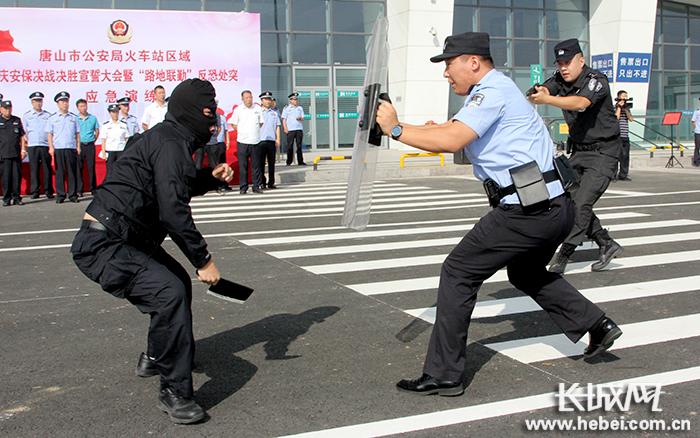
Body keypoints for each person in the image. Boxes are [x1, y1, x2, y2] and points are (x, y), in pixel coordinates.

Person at [376, 32, 621, 396]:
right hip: (554, 207)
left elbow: (452, 139)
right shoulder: (491, 92)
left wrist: (395, 128)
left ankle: (444, 374)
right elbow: (450, 130)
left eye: (449, 64)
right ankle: (595, 324)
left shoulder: (492, 92)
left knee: (458, 271)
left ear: (473, 62)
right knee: (524, 270)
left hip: (527, 210)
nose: (446, 73)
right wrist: (416, 128)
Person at [71, 78, 234, 424]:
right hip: (104, 242)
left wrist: (210, 178)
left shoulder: (168, 139)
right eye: (207, 112)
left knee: (175, 282)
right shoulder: (169, 142)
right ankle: (175, 392)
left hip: (126, 237)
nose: (212, 120)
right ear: (190, 111)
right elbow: (173, 211)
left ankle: (158, 356)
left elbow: (176, 184)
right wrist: (203, 260)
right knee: (169, 291)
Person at [528, 38, 623, 274]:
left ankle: (564, 255)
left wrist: (546, 99)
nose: (564, 67)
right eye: (560, 63)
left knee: (581, 203)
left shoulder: (596, 80)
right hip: (579, 152)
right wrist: (540, 91)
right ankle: (605, 242)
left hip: (604, 152)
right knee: (566, 202)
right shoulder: (560, 80)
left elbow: (581, 103)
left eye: (568, 62)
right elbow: (547, 88)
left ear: (581, 60)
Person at [47, 91, 81, 204]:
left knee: (72, 172)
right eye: (62, 101)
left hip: (71, 148)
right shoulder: (52, 118)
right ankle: (60, 195)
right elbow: (50, 134)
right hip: (59, 148)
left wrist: (78, 146)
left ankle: (72, 195)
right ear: (58, 103)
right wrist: (51, 147)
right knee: (60, 172)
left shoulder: (73, 117)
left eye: (66, 101)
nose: (65, 104)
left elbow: (77, 134)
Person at [228, 90, 264, 194]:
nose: (249, 99)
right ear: (242, 99)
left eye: (250, 97)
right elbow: (233, 124)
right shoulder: (238, 109)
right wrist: (243, 131)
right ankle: (243, 187)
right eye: (247, 98)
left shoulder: (258, 108)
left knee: (256, 166)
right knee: (243, 166)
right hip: (242, 142)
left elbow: (261, 123)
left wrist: (253, 131)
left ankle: (256, 186)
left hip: (256, 141)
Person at [22, 91, 54, 199]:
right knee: (34, 169)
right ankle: (35, 191)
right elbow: (25, 131)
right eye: (36, 101)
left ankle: (48, 190)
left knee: (47, 169)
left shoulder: (47, 115)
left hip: (45, 145)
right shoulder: (27, 115)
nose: (38, 103)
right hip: (33, 145)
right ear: (32, 102)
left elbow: (50, 131)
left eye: (40, 101)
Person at [196, 105, 231, 194]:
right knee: (198, 164)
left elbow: (219, 128)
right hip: (200, 143)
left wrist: (213, 136)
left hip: (212, 142)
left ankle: (216, 185)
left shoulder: (217, 115)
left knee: (214, 165)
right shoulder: (198, 114)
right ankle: (198, 185)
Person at [0, 100, 27, 206]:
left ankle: (17, 198)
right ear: (1, 109)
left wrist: (23, 149)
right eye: (5, 108)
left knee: (16, 177)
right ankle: (6, 199)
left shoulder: (16, 120)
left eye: (9, 108)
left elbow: (22, 136)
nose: (8, 110)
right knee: (6, 178)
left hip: (16, 154)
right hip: (3, 155)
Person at [76, 99, 100, 196]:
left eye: (84, 106)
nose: (83, 108)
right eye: (81, 106)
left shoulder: (93, 118)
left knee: (91, 167)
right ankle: (79, 189)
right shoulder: (75, 118)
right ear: (77, 107)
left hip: (90, 145)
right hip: (79, 145)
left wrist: (93, 140)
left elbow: (97, 131)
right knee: (79, 168)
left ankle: (93, 188)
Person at [98, 104, 130, 173]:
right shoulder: (106, 125)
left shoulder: (123, 124)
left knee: (121, 171)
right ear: (110, 113)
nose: (115, 114)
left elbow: (127, 138)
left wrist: (127, 151)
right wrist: (103, 152)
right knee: (110, 171)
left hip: (121, 150)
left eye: (116, 112)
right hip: (110, 150)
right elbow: (103, 140)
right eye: (113, 112)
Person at [259, 91, 281, 190]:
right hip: (260, 140)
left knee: (272, 163)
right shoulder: (258, 112)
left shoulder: (274, 113)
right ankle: (262, 182)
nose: (268, 101)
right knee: (261, 163)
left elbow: (277, 127)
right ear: (262, 100)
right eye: (266, 99)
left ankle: (271, 182)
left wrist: (278, 139)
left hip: (271, 140)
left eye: (269, 99)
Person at [282, 92, 306, 166]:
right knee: (290, 146)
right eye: (294, 99)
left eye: (296, 99)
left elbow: (303, 118)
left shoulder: (300, 108)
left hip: (299, 129)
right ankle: (289, 161)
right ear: (290, 100)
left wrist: (300, 118)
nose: (296, 101)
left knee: (299, 146)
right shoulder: (286, 108)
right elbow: (284, 119)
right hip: (290, 130)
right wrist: (285, 128)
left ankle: (300, 161)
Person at [614, 90, 633, 181]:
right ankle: (613, 175)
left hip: (625, 135)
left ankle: (623, 175)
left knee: (625, 156)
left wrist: (625, 109)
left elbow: (631, 119)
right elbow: (616, 118)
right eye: (624, 96)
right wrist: (619, 107)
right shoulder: (614, 107)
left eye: (626, 96)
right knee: (615, 156)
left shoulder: (627, 108)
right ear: (619, 97)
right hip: (617, 136)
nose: (625, 98)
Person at [692, 97, 700, 167]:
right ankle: (696, 161)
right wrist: (695, 129)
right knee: (697, 147)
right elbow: (693, 121)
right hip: (698, 132)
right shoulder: (697, 112)